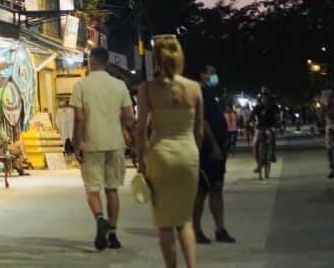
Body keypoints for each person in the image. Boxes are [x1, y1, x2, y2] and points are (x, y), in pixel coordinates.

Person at [135, 35, 204, 268]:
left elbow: (141, 129)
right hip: (188, 155)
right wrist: (195, 155)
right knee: (185, 220)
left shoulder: (147, 89)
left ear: (156, 59)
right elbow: (200, 131)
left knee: (165, 223)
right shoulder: (195, 89)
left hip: (160, 155)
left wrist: (141, 161)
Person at [71, 47, 135, 251]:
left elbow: (79, 118)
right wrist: (135, 140)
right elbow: (129, 118)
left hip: (91, 144)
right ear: (106, 63)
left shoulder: (81, 86)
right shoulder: (119, 86)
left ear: (91, 62)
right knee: (112, 189)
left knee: (92, 189)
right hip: (115, 143)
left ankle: (100, 219)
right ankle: (113, 234)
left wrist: (77, 142)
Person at [193, 66, 236, 244]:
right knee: (201, 191)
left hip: (218, 148)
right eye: (210, 73)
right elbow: (203, 121)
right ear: (202, 75)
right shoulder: (201, 93)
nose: (214, 76)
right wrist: (214, 146)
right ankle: (195, 229)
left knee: (216, 188)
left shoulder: (211, 94)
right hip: (207, 150)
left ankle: (220, 229)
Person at [250, 89, 280, 173]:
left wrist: (278, 123)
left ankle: (271, 154)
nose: (265, 99)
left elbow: (278, 117)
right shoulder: (258, 107)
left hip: (270, 127)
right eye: (263, 97)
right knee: (254, 145)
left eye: (267, 97)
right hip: (259, 128)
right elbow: (252, 116)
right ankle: (258, 165)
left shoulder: (274, 107)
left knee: (270, 135)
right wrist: (249, 122)